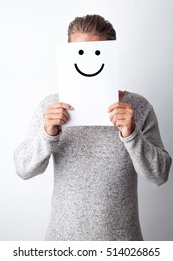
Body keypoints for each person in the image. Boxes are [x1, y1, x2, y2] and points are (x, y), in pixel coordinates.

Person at [14, 14, 172, 241]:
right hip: (62, 244)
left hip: (122, 245)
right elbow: (23, 169)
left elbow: (159, 175)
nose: (88, 61)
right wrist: (48, 134)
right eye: (79, 53)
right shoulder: (50, 107)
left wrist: (131, 134)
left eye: (97, 52)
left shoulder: (138, 107)